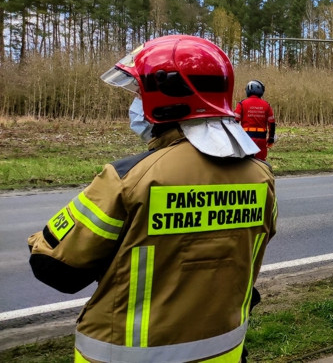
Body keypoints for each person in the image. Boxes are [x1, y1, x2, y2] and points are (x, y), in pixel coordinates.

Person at [27, 35, 277, 362]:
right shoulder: (261, 177)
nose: (134, 104)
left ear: (164, 99)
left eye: (137, 94)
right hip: (224, 352)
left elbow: (56, 269)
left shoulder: (129, 178)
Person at [235, 80, 276, 161]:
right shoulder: (266, 105)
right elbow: (271, 123)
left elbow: (234, 121)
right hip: (261, 139)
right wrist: (271, 138)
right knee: (261, 161)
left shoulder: (242, 104)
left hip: (246, 138)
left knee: (245, 161)